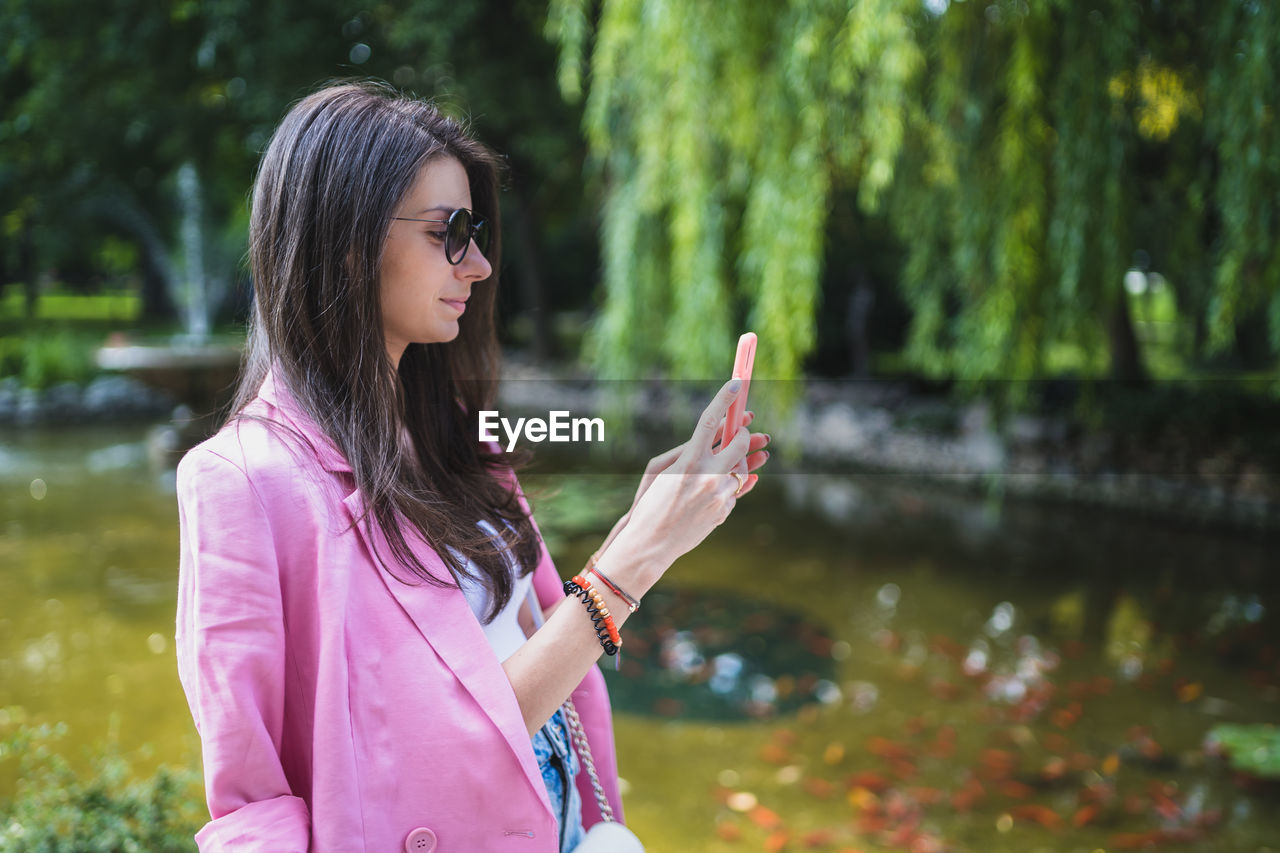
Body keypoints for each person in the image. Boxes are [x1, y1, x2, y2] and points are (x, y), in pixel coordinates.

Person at [174, 80, 770, 853]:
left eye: (478, 229)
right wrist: (637, 556)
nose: (481, 263)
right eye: (451, 231)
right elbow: (257, 810)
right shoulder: (242, 482)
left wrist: (652, 513)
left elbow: (520, 636)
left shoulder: (456, 431)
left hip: (559, 819)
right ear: (348, 243)